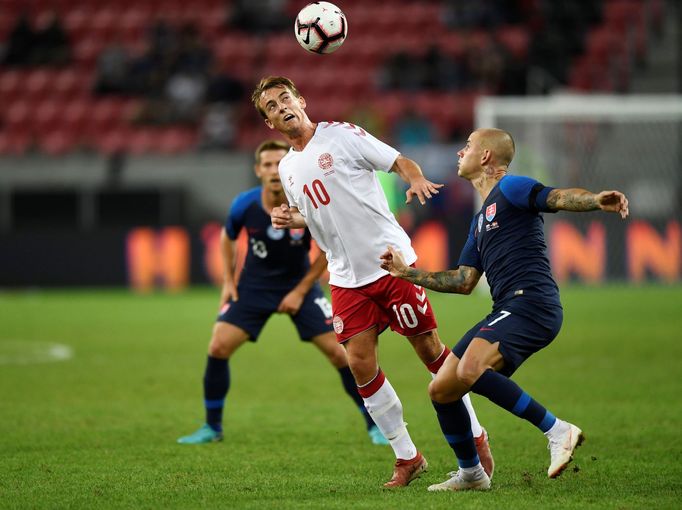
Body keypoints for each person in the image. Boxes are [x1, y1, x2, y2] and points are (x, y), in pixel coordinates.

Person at [252, 76, 493, 488]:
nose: (281, 107)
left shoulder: (342, 136)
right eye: (272, 107)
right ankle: (407, 456)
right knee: (359, 364)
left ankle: (475, 436)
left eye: (285, 98)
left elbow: (398, 160)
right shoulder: (289, 168)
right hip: (346, 278)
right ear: (270, 124)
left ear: (301, 99)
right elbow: (314, 215)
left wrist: (414, 179)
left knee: (431, 351)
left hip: (390, 265)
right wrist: (288, 218)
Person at [380, 128, 629, 491]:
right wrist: (407, 273)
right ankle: (472, 474)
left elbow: (556, 197)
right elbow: (463, 281)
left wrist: (594, 200)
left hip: (532, 302)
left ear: (484, 157)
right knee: (442, 388)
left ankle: (558, 430)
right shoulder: (479, 220)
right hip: (507, 306)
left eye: (466, 147)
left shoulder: (510, 188)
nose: (459, 153)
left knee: (469, 369)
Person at [177, 140, 389, 446]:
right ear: (258, 170)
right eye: (267, 165)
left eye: (279, 163)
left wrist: (300, 291)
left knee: (341, 353)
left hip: (299, 286)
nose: (273, 170)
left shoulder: (306, 202)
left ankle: (375, 426)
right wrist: (228, 280)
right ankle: (212, 427)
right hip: (254, 287)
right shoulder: (244, 205)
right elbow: (227, 237)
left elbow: (329, 249)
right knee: (218, 346)